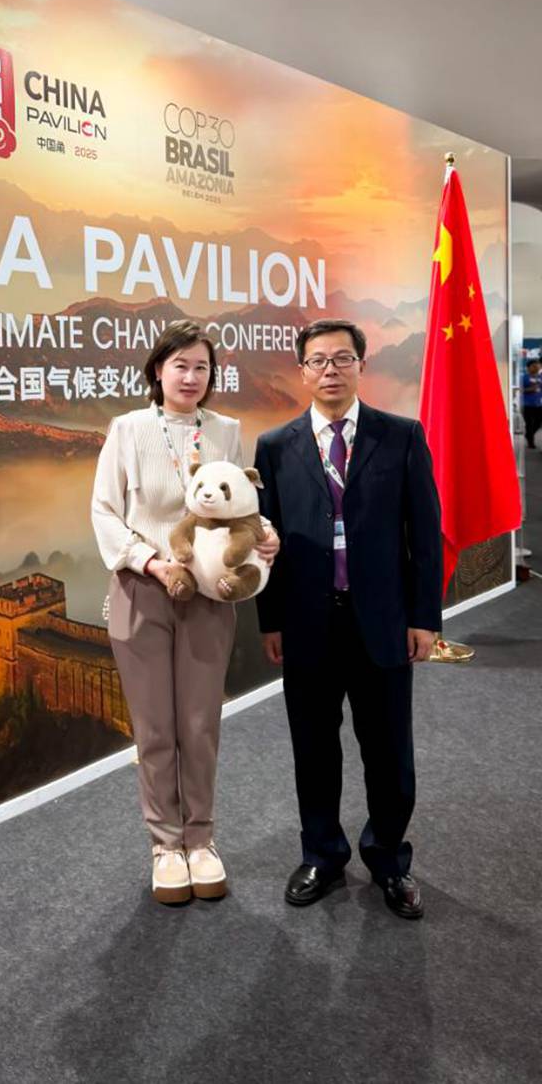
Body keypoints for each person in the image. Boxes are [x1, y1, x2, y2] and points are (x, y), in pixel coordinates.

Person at [254, 319, 442, 919]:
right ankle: (322, 853)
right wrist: (270, 620)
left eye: (341, 358)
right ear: (302, 371)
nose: (330, 370)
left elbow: (425, 536)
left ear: (362, 364)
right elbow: (264, 541)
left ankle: (389, 858)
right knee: (313, 749)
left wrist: (424, 617)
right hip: (307, 622)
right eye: (317, 360)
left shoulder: (401, 437)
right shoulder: (275, 447)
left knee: (389, 753)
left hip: (382, 622)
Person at [91, 320, 279, 904]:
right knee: (155, 729)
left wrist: (265, 533)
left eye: (202, 367)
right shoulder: (127, 430)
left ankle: (201, 839)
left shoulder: (226, 430)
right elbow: (104, 512)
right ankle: (165, 846)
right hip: (143, 590)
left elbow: (240, 506)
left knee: (199, 724)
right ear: (158, 370)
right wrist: (151, 563)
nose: (191, 377)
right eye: (180, 366)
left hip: (207, 597)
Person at [521, 357, 542, 449]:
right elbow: (519, 390)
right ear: (528, 367)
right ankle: (531, 442)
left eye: (538, 366)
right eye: (534, 366)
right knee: (529, 424)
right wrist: (530, 389)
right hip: (527, 405)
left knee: (538, 423)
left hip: (539, 404)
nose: (536, 368)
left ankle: (529, 435)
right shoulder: (524, 377)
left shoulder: (540, 377)